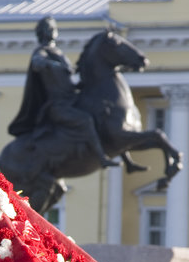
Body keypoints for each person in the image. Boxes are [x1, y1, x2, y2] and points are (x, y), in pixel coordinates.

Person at [8, 16, 118, 169]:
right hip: (58, 106)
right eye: (49, 28)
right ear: (42, 32)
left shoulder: (58, 51)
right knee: (85, 120)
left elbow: (68, 82)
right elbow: (37, 63)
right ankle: (101, 157)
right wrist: (51, 64)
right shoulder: (42, 51)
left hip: (71, 99)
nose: (53, 31)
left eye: (54, 28)